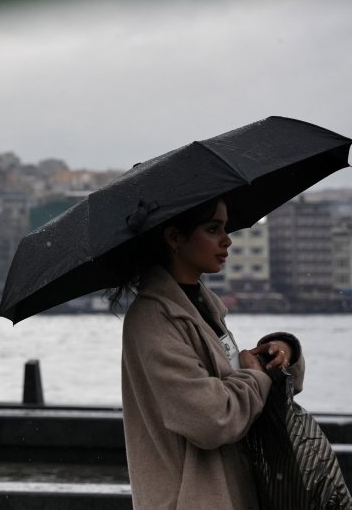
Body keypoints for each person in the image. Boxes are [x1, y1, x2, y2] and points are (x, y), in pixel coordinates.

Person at [113, 197, 304, 509]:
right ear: (175, 238)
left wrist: (280, 352)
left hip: (229, 490)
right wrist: (256, 376)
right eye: (213, 229)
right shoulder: (154, 318)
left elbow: (232, 385)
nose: (227, 239)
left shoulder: (204, 306)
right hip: (190, 498)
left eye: (225, 228)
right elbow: (210, 418)